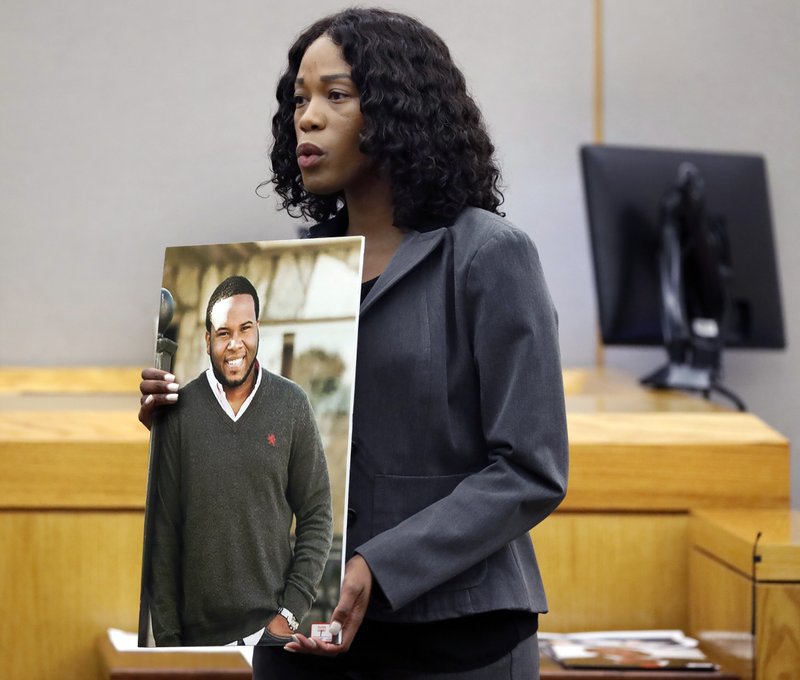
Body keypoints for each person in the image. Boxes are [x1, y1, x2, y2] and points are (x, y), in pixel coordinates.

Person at [140, 7, 568, 677]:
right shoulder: (286, 278)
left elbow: (530, 470)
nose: (306, 118)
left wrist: (377, 566)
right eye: (299, 99)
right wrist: (187, 419)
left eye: (335, 96)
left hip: (455, 641)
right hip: (301, 641)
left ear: (400, 111)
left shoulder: (490, 256)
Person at [146, 275, 333, 647]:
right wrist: (168, 643)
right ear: (208, 340)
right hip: (196, 644)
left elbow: (317, 515)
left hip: (269, 639)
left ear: (258, 330)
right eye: (223, 332)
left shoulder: (292, 405)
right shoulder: (178, 412)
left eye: (245, 329)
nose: (235, 344)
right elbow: (163, 534)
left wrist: (288, 617)